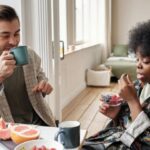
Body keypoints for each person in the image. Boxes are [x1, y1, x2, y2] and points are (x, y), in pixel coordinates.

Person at [82, 20, 150, 150]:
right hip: (114, 139)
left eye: (145, 61)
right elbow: (127, 122)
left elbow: (146, 142)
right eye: (137, 59)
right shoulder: (139, 86)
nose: (138, 65)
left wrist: (132, 100)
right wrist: (117, 115)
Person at [0, 5, 56, 126]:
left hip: (40, 122)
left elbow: (40, 75)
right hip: (8, 130)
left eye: (16, 34)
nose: (13, 41)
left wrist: (43, 85)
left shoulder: (28, 54)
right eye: (5, 35)